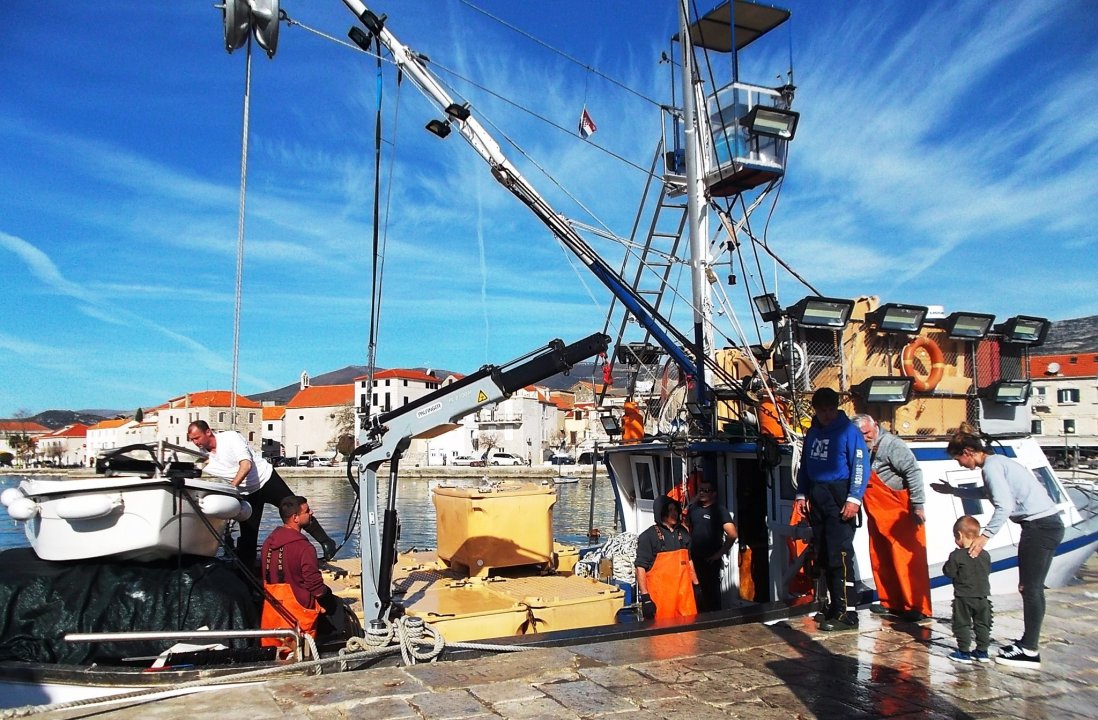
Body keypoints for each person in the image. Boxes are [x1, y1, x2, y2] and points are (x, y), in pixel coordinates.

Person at [932, 430, 1064, 669]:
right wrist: (953, 491)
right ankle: (1027, 643)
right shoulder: (998, 462)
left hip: (1039, 527)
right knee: (1032, 588)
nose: (959, 464)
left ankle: (1029, 650)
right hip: (1046, 525)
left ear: (968, 452)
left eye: (958, 459)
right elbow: (987, 493)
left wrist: (984, 537)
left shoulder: (991, 468)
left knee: (1030, 588)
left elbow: (1004, 506)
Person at [187, 421, 336, 567]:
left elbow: (246, 465)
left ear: (208, 432)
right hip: (247, 493)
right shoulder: (202, 457)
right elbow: (190, 469)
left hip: (267, 480)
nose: (195, 442)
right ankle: (247, 572)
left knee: (296, 510)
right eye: (192, 439)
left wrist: (232, 488)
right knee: (248, 534)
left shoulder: (230, 438)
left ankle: (326, 542)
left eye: (197, 438)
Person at [794, 387, 870, 631]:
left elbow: (860, 465)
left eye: (830, 410)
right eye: (821, 411)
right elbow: (805, 464)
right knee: (824, 553)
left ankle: (847, 612)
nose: (826, 415)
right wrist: (802, 493)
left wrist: (854, 498)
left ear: (836, 408)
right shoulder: (813, 431)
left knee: (840, 554)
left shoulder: (849, 432)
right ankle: (832, 606)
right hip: (818, 494)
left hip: (839, 495)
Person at [851, 414, 932, 622]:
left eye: (867, 433)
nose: (865, 437)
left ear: (875, 426)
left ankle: (917, 607)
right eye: (860, 434)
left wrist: (918, 504)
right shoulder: (860, 448)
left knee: (908, 561)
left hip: (900, 515)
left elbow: (913, 472)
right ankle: (891, 602)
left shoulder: (893, 445)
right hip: (877, 515)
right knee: (881, 558)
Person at [259, 496, 341, 648]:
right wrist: (328, 599)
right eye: (307, 511)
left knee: (274, 652)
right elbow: (315, 587)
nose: (312, 513)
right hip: (298, 615)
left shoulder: (267, 543)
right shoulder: (304, 548)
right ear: (295, 518)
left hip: (272, 612)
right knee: (335, 608)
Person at [635, 495, 698, 620]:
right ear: (661, 513)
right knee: (661, 631)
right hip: (661, 601)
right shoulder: (648, 536)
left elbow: (689, 560)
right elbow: (640, 567)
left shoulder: (683, 533)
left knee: (690, 629)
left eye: (675, 510)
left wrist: (696, 585)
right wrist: (645, 597)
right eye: (669, 510)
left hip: (685, 600)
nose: (674, 513)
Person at [943, 515, 992, 664]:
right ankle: (982, 652)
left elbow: (949, 572)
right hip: (983, 597)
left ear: (959, 535)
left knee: (962, 624)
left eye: (955, 537)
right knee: (983, 624)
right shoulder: (985, 555)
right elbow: (987, 571)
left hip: (963, 597)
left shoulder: (956, 555)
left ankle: (964, 652)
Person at [686, 480, 738, 612]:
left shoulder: (719, 510)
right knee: (696, 592)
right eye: (700, 490)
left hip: (710, 559)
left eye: (706, 491)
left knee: (711, 594)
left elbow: (732, 534)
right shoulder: (694, 508)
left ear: (714, 494)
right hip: (694, 558)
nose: (702, 493)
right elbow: (685, 525)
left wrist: (718, 554)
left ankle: (714, 619)